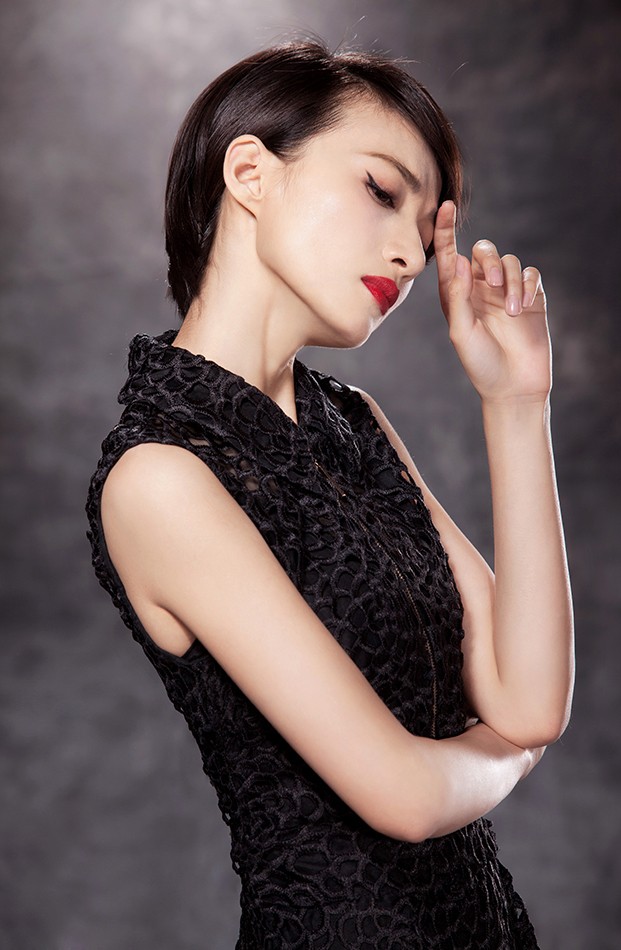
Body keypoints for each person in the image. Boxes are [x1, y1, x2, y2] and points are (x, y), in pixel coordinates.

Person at [86, 39, 574, 949]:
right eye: (382, 191)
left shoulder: (351, 420)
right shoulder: (161, 476)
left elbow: (531, 700)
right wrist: (511, 756)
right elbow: (405, 797)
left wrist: (516, 403)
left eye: (426, 227)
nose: (410, 253)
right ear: (249, 173)